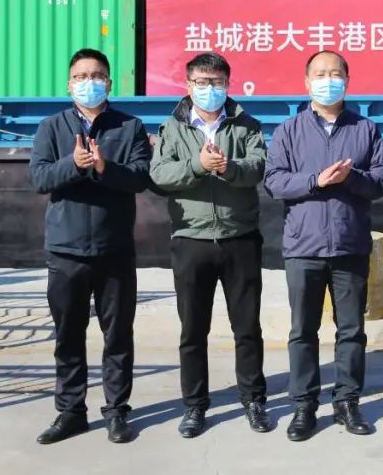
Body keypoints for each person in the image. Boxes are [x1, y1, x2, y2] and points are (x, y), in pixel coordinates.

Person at [263, 50, 383, 442]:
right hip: (304, 247)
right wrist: (316, 180)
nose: (328, 80)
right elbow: (274, 182)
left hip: (350, 245)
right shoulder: (288, 131)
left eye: (335, 74)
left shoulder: (365, 129)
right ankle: (304, 405)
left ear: (347, 81)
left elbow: (381, 183)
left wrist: (351, 179)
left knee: (351, 330)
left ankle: (347, 401)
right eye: (320, 74)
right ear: (306, 82)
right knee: (303, 330)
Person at [28, 48, 151, 445]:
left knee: (118, 337)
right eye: (80, 77)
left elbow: (140, 177)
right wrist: (74, 164)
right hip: (66, 251)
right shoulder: (52, 127)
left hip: (115, 250)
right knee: (68, 336)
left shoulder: (129, 126)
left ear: (109, 83)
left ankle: (116, 411)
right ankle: (71, 411)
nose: (89, 82)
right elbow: (39, 178)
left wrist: (102, 167)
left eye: (96, 75)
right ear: (69, 85)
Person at [150, 52, 270, 438]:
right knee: (193, 330)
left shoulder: (246, 124)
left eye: (216, 82)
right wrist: (199, 165)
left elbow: (258, 166)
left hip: (239, 238)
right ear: (188, 86)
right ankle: (195, 405)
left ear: (227, 84)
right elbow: (159, 174)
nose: (209, 89)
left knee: (247, 327)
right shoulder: (172, 127)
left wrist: (229, 168)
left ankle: (254, 399)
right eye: (201, 83)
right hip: (191, 239)